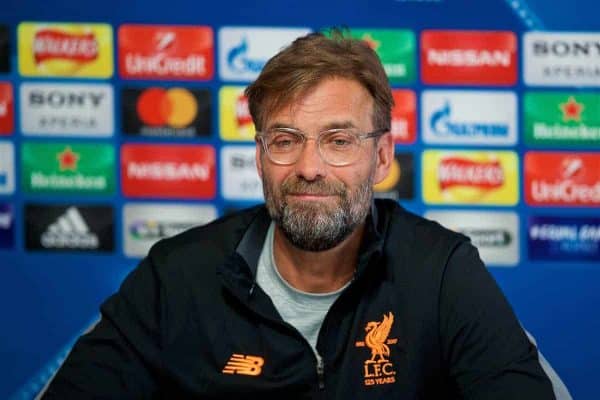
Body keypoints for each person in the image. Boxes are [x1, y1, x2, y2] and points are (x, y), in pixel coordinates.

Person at [42, 30, 568, 399]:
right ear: (260, 155)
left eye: (339, 140)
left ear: (382, 157)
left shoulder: (441, 272)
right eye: (286, 140)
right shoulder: (176, 276)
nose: (310, 167)